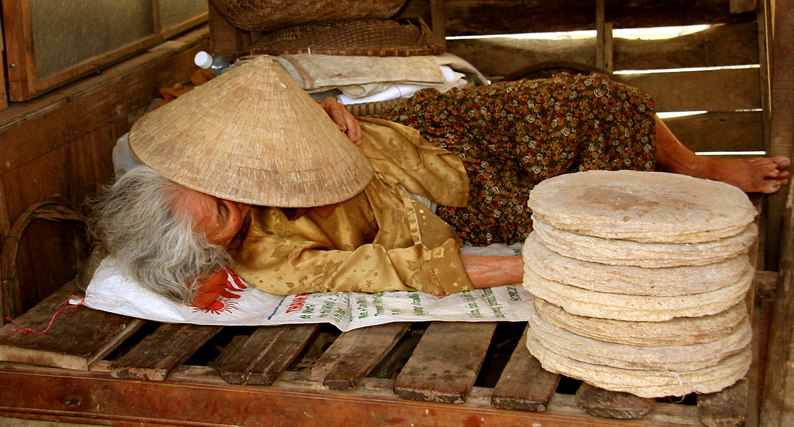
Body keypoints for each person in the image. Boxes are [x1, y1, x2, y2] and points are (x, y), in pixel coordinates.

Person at [91, 56, 790, 309]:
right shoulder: (274, 262)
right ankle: (675, 185)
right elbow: (390, 268)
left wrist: (321, 110)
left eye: (209, 183)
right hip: (446, 192)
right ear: (214, 249)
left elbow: (261, 88)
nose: (230, 190)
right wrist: (536, 265)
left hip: (409, 130)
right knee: (570, 192)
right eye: (221, 211)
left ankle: (695, 163)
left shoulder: (199, 150)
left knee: (594, 95)